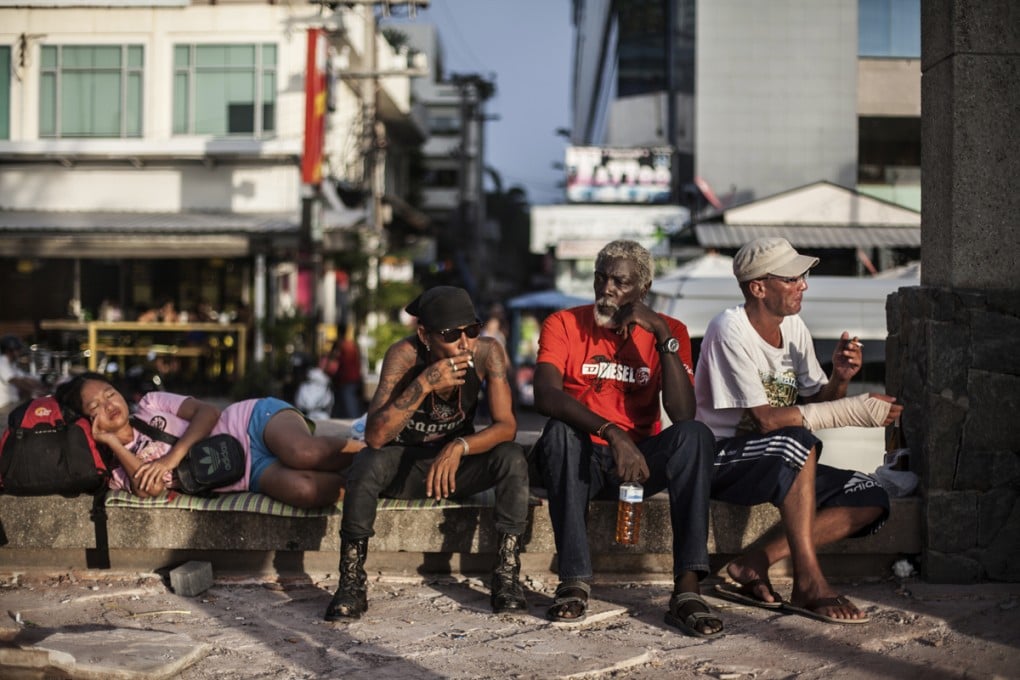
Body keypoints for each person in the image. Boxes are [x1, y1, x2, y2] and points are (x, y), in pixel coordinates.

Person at [695, 237, 901, 624]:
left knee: (871, 495)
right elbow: (767, 421)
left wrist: (840, 380)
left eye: (802, 276)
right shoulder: (729, 329)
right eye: (792, 278)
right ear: (758, 287)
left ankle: (755, 561)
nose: (803, 285)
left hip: (783, 458)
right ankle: (809, 583)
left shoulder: (794, 327)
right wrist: (854, 408)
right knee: (798, 442)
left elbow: (814, 403)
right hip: (723, 458)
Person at [530, 240, 723, 637]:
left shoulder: (673, 332)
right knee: (560, 433)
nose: (607, 289)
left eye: (620, 282)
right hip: (581, 457)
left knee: (696, 436)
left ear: (642, 290)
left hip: (637, 465)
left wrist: (661, 335)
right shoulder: (564, 323)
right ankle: (574, 579)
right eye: (602, 277)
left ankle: (687, 589)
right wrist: (612, 432)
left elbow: (682, 414)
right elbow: (546, 395)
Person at [324, 286, 530, 621]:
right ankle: (351, 580)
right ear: (425, 335)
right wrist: (424, 384)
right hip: (405, 466)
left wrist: (459, 446)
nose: (464, 343)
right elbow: (375, 437)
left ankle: (506, 574)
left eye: (472, 330)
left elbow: (506, 426)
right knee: (366, 462)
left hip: (455, 467)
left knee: (512, 457)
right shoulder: (403, 356)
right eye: (451, 335)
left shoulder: (487, 353)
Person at [55, 372, 364, 508]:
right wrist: (113, 443)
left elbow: (208, 413)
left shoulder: (150, 404)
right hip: (244, 472)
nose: (109, 405)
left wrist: (171, 458)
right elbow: (151, 487)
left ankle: (371, 446)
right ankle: (373, 480)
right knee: (305, 489)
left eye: (109, 393)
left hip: (250, 422)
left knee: (303, 452)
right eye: (96, 406)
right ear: (88, 421)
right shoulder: (119, 470)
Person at [321, 324, 363, 419]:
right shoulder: (352, 344)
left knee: (350, 406)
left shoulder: (342, 345)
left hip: (346, 378)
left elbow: (333, 359)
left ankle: (356, 426)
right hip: (353, 378)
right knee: (346, 404)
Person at [0, 335, 46, 417]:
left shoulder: (12, 364)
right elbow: (16, 381)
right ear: (9, 350)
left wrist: (42, 384)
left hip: (11, 403)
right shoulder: (2, 362)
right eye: (18, 349)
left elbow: (25, 378)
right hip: (4, 407)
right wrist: (36, 391)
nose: (20, 352)